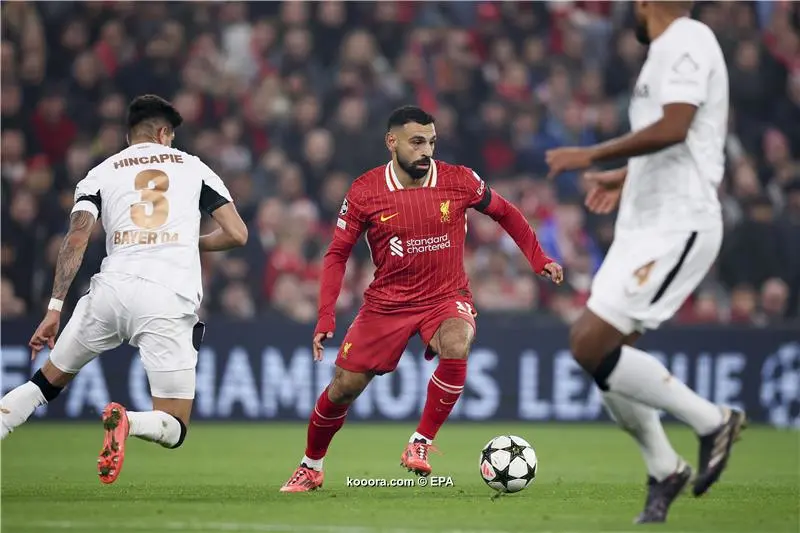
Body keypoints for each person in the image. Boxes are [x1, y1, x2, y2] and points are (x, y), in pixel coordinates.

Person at [280, 105, 563, 492]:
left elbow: (505, 212)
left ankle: (421, 442)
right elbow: (336, 254)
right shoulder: (365, 191)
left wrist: (538, 257)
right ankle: (311, 466)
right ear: (391, 142)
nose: (426, 150)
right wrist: (325, 315)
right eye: (416, 142)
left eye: (431, 142)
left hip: (445, 295)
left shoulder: (459, 180)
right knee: (343, 387)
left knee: (458, 340)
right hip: (387, 303)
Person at [545, 1, 745, 524]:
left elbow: (678, 127)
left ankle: (712, 421)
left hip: (678, 223)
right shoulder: (662, 53)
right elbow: (682, 143)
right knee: (603, 357)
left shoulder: (688, 39)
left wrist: (592, 157)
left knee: (588, 342)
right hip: (643, 226)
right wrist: (625, 177)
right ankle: (664, 468)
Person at [0, 95, 248, 485]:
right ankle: (127, 421)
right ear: (165, 134)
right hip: (167, 298)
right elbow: (238, 233)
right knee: (174, 425)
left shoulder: (100, 172)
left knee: (42, 386)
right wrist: (183, 240)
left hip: (110, 291)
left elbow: (77, 238)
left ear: (129, 134)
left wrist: (54, 308)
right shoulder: (194, 167)